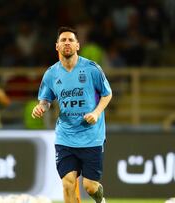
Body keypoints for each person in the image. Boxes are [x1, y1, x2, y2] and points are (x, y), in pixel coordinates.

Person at [31, 26, 112, 203]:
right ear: (57, 46)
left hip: (91, 135)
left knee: (90, 186)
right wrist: (41, 107)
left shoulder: (91, 69)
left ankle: (100, 198)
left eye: (70, 40)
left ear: (77, 46)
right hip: (65, 136)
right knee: (68, 184)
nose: (67, 43)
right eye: (63, 40)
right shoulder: (51, 74)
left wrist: (97, 113)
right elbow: (45, 100)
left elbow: (107, 93)